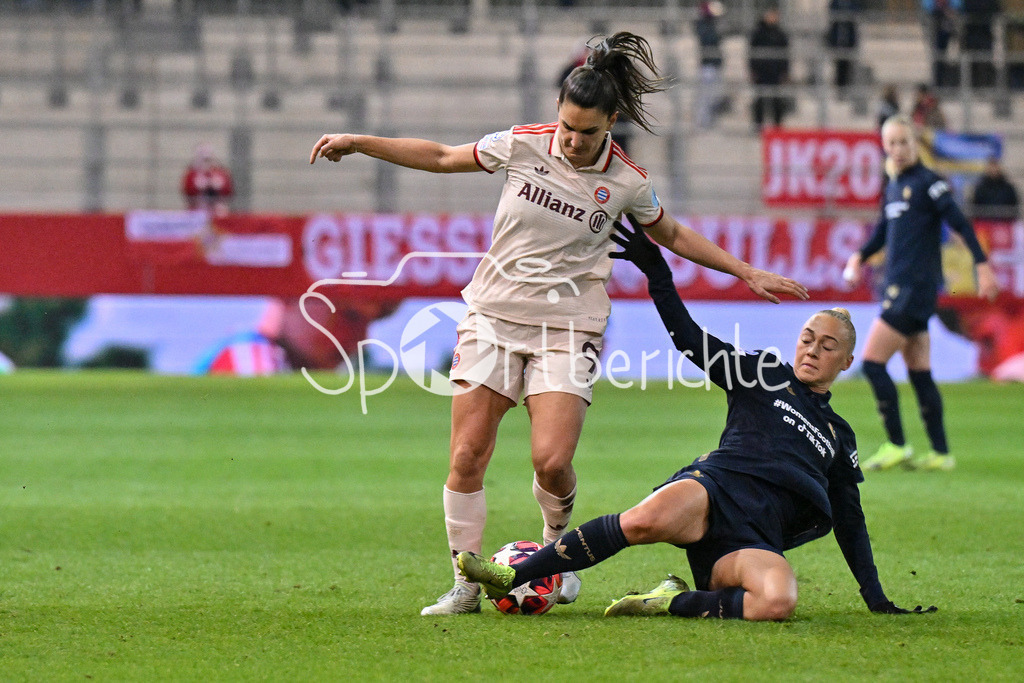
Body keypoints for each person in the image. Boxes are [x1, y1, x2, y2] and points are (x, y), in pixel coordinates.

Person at [310, 32, 808, 616]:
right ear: (558, 112)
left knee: (550, 461)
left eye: (587, 132)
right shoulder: (523, 144)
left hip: (569, 328)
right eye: (567, 126)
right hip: (493, 315)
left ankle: (555, 554)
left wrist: (744, 270)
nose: (573, 140)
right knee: (467, 456)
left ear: (612, 122)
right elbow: (443, 157)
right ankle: (464, 586)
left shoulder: (627, 181)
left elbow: (671, 234)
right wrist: (359, 142)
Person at [456, 217, 936, 621]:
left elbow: (849, 518)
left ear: (846, 362)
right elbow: (691, 340)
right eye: (808, 338)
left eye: (827, 346)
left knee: (778, 602)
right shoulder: (762, 374)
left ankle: (669, 600)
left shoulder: (839, 436)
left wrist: (875, 597)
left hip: (756, 539)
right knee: (641, 522)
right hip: (714, 490)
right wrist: (657, 271)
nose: (812, 349)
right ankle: (513, 575)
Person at [843, 115, 998, 472]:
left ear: (915, 144)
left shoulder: (929, 183)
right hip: (903, 288)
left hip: (913, 289)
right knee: (919, 371)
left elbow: (960, 223)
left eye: (904, 142)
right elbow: (882, 233)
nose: (898, 149)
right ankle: (941, 453)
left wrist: (982, 265)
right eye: (891, 143)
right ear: (884, 147)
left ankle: (897, 444)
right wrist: (859, 257)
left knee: (872, 364)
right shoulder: (894, 186)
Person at [748, 8, 792, 130]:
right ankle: (758, 125)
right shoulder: (758, 33)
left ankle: (777, 127)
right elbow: (751, 53)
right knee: (760, 100)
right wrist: (752, 70)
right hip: (761, 72)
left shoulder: (780, 33)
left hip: (776, 72)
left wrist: (785, 71)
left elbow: (786, 54)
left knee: (777, 100)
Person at [694, 1, 725, 129]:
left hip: (715, 63)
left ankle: (710, 122)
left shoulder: (713, 24)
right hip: (707, 64)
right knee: (705, 95)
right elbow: (708, 39)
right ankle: (702, 122)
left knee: (714, 95)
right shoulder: (703, 25)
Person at [181, 143, 234, 217]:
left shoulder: (220, 173)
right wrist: (197, 187)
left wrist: (218, 186)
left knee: (221, 212)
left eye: (207, 159)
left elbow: (229, 191)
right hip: (197, 206)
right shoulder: (191, 174)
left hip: (217, 207)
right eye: (203, 159)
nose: (205, 163)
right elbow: (187, 192)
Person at [826, 0, 861, 95]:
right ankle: (839, 91)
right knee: (838, 66)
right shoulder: (835, 2)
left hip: (849, 42)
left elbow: (856, 13)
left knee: (848, 66)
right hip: (838, 41)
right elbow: (831, 13)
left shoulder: (853, 2)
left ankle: (846, 91)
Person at [970, 157, 1020, 221]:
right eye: (991, 167)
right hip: (985, 222)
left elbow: (1014, 206)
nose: (993, 170)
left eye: (995, 166)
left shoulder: (1008, 188)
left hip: (1005, 223)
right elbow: (975, 206)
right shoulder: (980, 188)